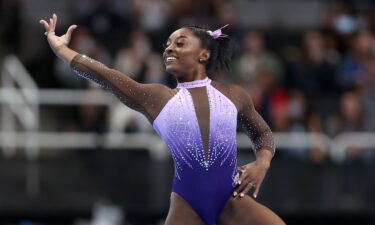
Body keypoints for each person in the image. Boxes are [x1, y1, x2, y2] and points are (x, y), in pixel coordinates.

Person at [40, 14, 285, 225]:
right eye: (167, 44)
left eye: (180, 43)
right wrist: (61, 50)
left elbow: (262, 133)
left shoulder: (233, 95)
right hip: (186, 206)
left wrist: (262, 162)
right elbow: (107, 76)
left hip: (232, 200)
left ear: (204, 54)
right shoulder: (158, 98)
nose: (169, 49)